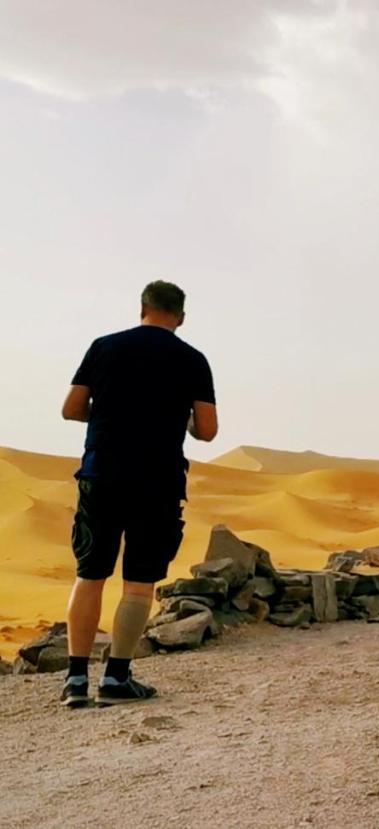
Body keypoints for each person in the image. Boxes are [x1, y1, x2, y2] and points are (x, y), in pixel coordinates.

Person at [60, 281, 218, 707]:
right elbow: (207, 430)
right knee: (138, 585)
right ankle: (116, 679)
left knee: (89, 575)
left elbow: (71, 408)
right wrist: (173, 420)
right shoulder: (192, 360)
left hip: (101, 474)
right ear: (181, 316)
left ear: (142, 308)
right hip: (158, 480)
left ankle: (75, 681)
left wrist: (109, 416)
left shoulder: (103, 347)